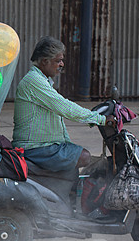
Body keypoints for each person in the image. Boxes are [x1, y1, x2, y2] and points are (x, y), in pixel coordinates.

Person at [12, 36, 115, 172]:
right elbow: (65, 107)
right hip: (34, 148)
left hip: (45, 145)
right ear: (44, 62)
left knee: (74, 154)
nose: (62, 64)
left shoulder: (42, 80)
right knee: (84, 156)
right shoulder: (33, 81)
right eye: (58, 61)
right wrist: (100, 119)